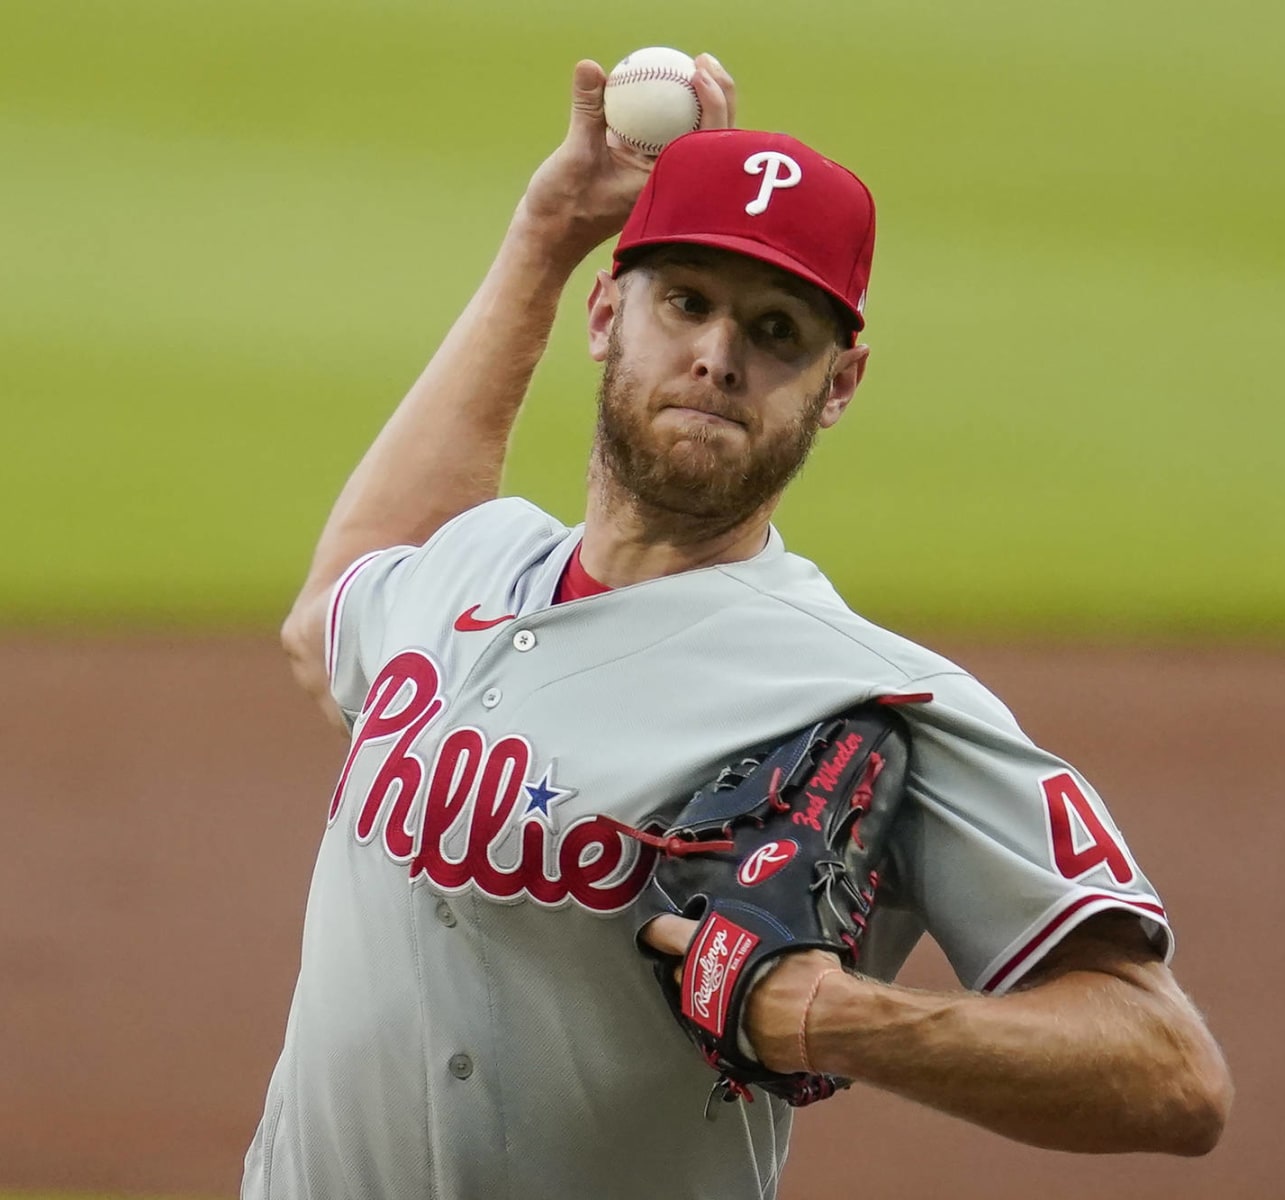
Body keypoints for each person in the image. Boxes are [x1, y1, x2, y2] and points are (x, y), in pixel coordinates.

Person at [249, 55, 1232, 1200]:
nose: (719, 355)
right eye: (687, 303)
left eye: (776, 329)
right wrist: (545, 236)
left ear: (841, 381)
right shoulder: (472, 557)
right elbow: (329, 618)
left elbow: (1172, 1074)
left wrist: (844, 1018)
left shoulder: (866, 694)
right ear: (607, 315)